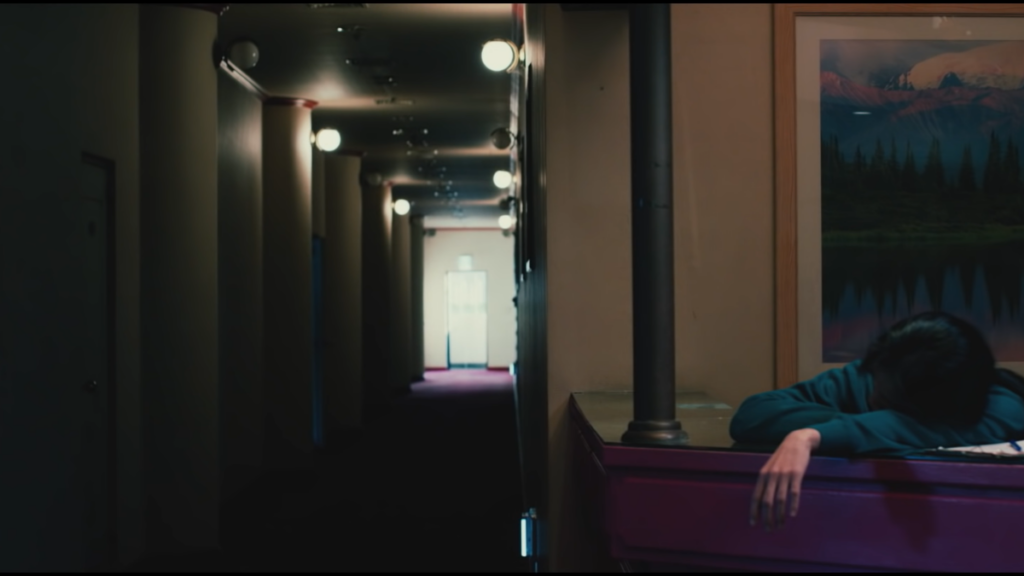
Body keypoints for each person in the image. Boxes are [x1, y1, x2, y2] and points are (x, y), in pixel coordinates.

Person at [730, 311, 1024, 532]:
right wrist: (814, 433)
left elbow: (913, 429)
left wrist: (817, 435)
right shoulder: (871, 373)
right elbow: (752, 415)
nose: (873, 393)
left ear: (932, 407)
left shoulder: (1001, 408)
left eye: (887, 399)